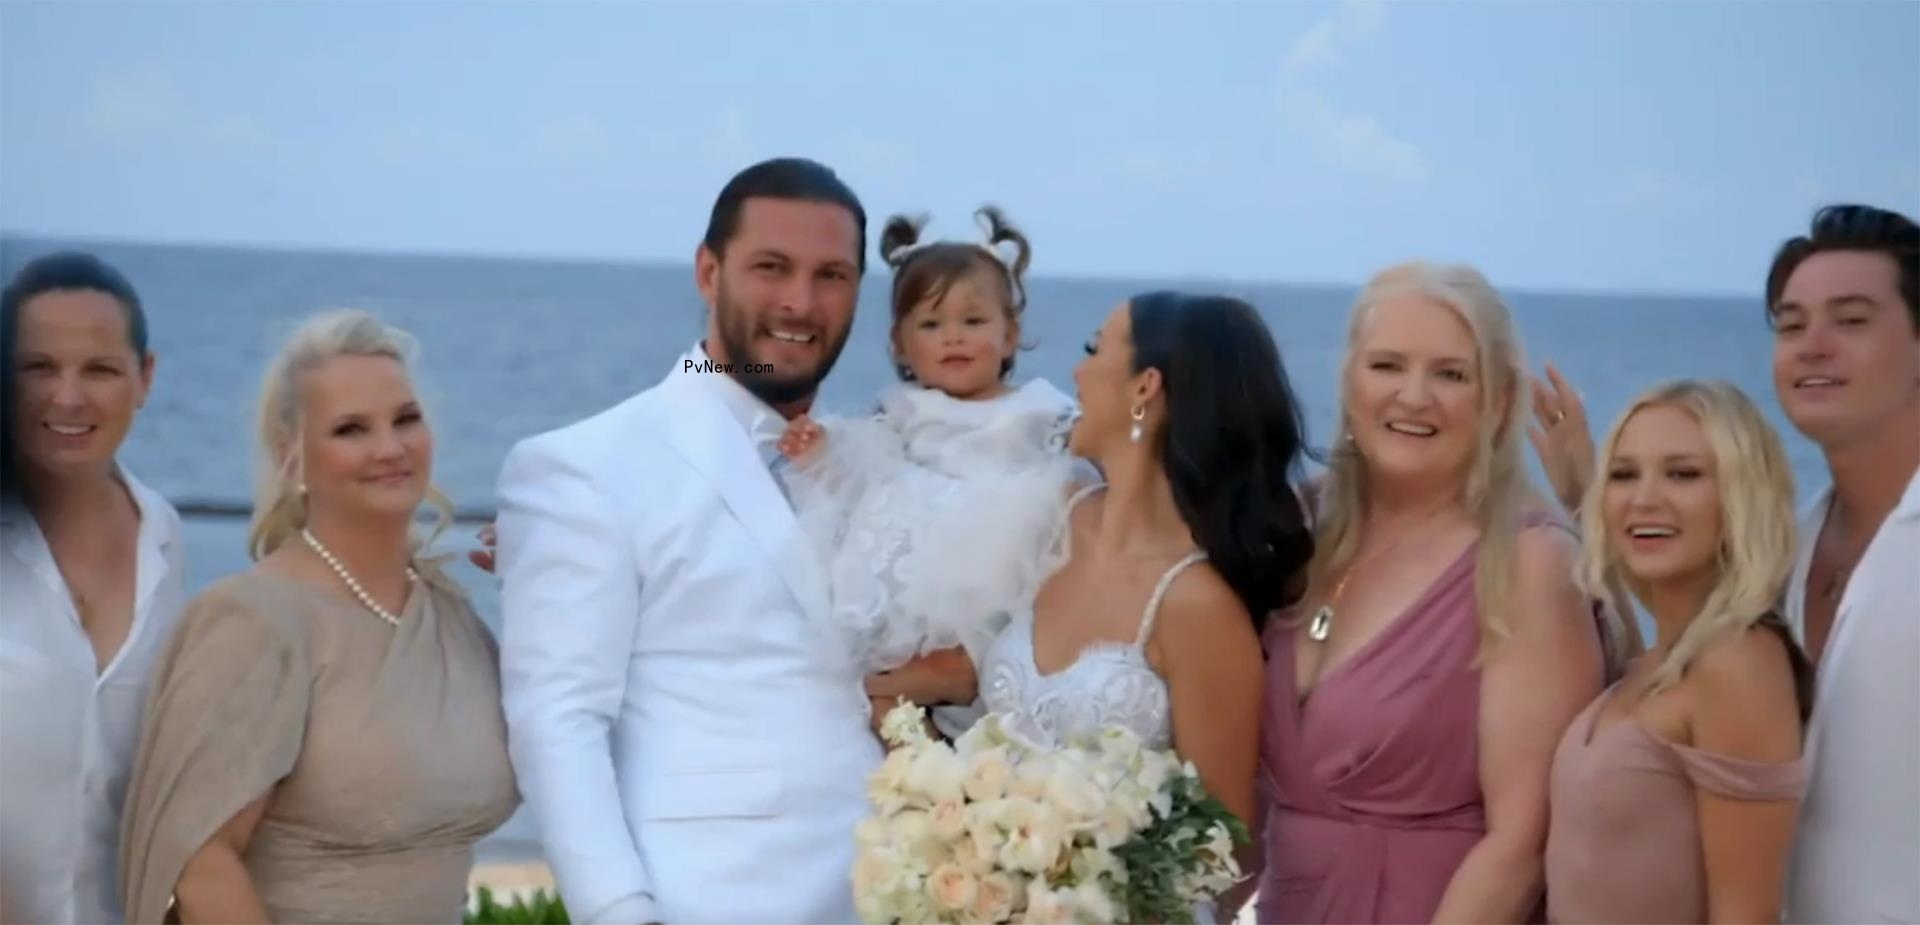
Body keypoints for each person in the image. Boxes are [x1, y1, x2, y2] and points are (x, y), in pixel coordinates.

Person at [492, 157, 884, 924]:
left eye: (831, 275)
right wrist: (618, 911)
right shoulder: (584, 465)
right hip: (703, 898)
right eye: (771, 267)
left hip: (884, 891)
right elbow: (557, 719)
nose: (800, 302)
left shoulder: (877, 462)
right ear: (709, 272)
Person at [1528, 203, 1919, 924]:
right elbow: (1685, 650)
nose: (1813, 345)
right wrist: (1599, 498)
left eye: (1852, 319)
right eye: (1792, 324)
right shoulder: (1792, 553)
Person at [117, 309, 517, 923]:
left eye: (405, 419)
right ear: (292, 458)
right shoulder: (253, 624)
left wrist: (550, 594)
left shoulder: (451, 615)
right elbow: (200, 866)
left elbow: (582, 745)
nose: (390, 448)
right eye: (351, 429)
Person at [1257, 262, 1622, 924]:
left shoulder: (1531, 562)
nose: (1413, 396)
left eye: (1450, 374)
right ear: (1348, 380)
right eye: (1387, 365)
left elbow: (1523, 843)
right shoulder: (1299, 526)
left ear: (1500, 400)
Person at [973, 291, 1317, 921]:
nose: (1075, 372)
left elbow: (1226, 856)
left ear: (1145, 388)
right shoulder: (1050, 522)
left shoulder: (1197, 607)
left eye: (1093, 348)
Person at [775, 205, 1080, 737]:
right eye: (931, 324)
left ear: (1009, 336)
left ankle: (958, 705)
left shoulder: (1038, 410)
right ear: (901, 346)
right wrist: (820, 452)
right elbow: (857, 475)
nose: (953, 337)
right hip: (911, 600)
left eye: (974, 321)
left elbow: (1074, 471)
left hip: (998, 585)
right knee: (883, 708)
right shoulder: (901, 412)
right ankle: (919, 777)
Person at [1545, 379, 1812, 923]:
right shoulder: (1658, 663)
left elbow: (1747, 914)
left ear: (1742, 494)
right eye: (1623, 475)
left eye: (1683, 474)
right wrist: (1581, 499)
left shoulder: (1739, 661)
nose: (1644, 498)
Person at [0, 252, 185, 925]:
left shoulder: (162, 535)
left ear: (145, 378)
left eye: (100, 369)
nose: (68, 397)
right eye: (37, 368)